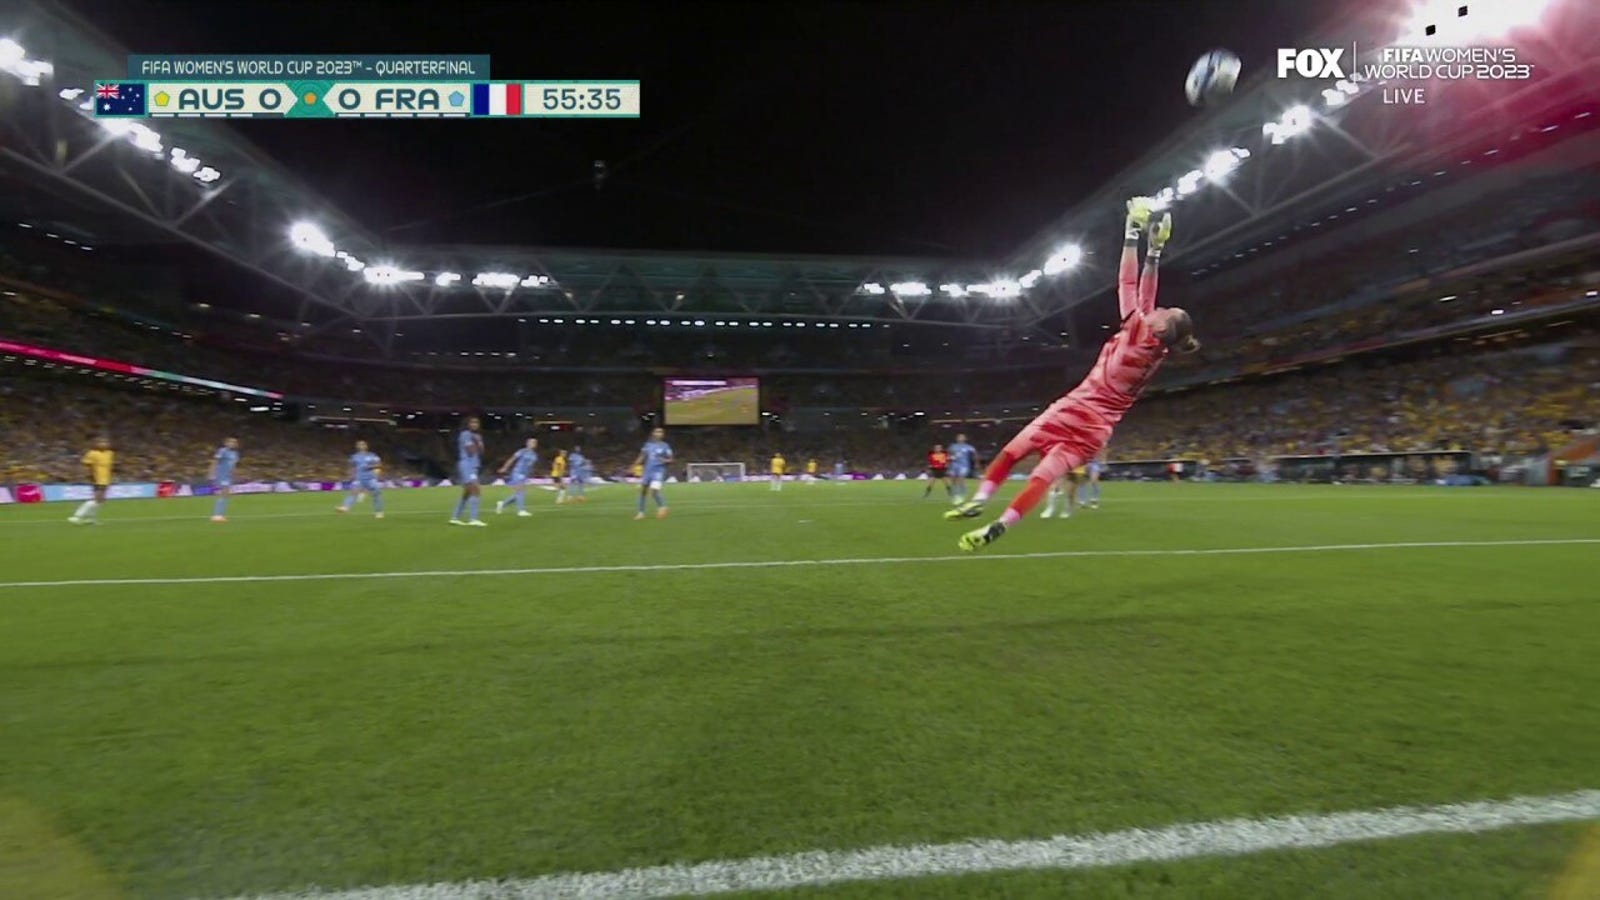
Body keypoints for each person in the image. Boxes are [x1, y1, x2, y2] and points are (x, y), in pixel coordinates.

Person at [947, 198, 1198, 550]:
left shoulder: (1141, 332)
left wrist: (1132, 231)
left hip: (1074, 408)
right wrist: (1154, 251)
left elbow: (1129, 285)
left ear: (1159, 328)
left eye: (1166, 311)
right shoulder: (1155, 346)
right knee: (1042, 477)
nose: (1160, 307)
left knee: (1013, 452)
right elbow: (1146, 295)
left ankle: (980, 499)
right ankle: (1000, 525)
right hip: (1096, 430)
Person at [449, 416, 487, 526]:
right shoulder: (465, 434)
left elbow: (481, 452)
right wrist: (476, 442)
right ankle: (473, 519)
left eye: (477, 422)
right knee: (476, 489)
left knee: (467, 493)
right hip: (466, 464)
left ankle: (455, 517)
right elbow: (470, 451)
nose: (475, 424)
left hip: (474, 465)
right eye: (472, 422)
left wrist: (478, 442)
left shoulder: (477, 436)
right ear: (468, 424)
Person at [69, 435, 113, 525]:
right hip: (97, 479)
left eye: (106, 442)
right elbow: (85, 465)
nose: (104, 444)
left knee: (101, 500)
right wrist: (85, 475)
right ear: (96, 444)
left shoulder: (110, 453)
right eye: (101, 442)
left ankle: (91, 518)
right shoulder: (92, 453)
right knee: (96, 499)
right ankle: (77, 516)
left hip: (107, 479)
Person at [336, 439, 385, 518]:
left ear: (366, 446)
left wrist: (369, 467)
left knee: (376, 495)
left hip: (371, 479)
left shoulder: (372, 455)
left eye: (363, 444)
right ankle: (345, 508)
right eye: (359, 444)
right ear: (357, 446)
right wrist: (350, 476)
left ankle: (379, 512)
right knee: (353, 493)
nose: (361, 446)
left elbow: (379, 465)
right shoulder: (354, 457)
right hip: (359, 479)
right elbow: (351, 467)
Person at [633, 427, 673, 519]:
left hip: (658, 471)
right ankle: (641, 513)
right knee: (643, 491)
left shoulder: (665, 446)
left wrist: (665, 460)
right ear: (653, 433)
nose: (659, 433)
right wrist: (634, 465)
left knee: (654, 491)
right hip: (647, 471)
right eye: (657, 432)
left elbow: (671, 459)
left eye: (661, 432)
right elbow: (642, 456)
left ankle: (662, 506)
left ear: (663, 435)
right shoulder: (648, 445)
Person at [495, 437, 539, 517]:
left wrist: (528, 476)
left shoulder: (534, 455)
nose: (533, 444)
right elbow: (512, 459)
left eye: (535, 443)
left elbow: (530, 467)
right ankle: (521, 511)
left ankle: (502, 504)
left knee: (519, 494)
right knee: (520, 491)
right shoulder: (522, 451)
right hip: (517, 472)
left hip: (524, 475)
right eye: (531, 442)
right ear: (527, 443)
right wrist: (505, 468)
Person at [209, 437, 240, 523]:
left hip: (228, 476)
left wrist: (235, 475)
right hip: (221, 475)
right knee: (224, 493)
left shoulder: (235, 454)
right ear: (226, 443)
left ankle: (220, 514)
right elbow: (215, 462)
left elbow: (233, 466)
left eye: (234, 442)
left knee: (227, 495)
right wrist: (212, 473)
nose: (233, 444)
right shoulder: (222, 451)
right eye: (231, 442)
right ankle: (217, 515)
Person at [947, 434, 978, 504]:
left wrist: (976, 463)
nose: (960, 438)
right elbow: (949, 454)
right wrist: (950, 458)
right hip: (954, 465)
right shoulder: (953, 446)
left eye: (962, 437)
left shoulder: (968, 447)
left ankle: (962, 495)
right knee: (953, 480)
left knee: (961, 479)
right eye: (959, 437)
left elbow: (975, 454)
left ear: (965, 439)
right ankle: (955, 496)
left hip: (964, 465)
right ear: (957, 439)